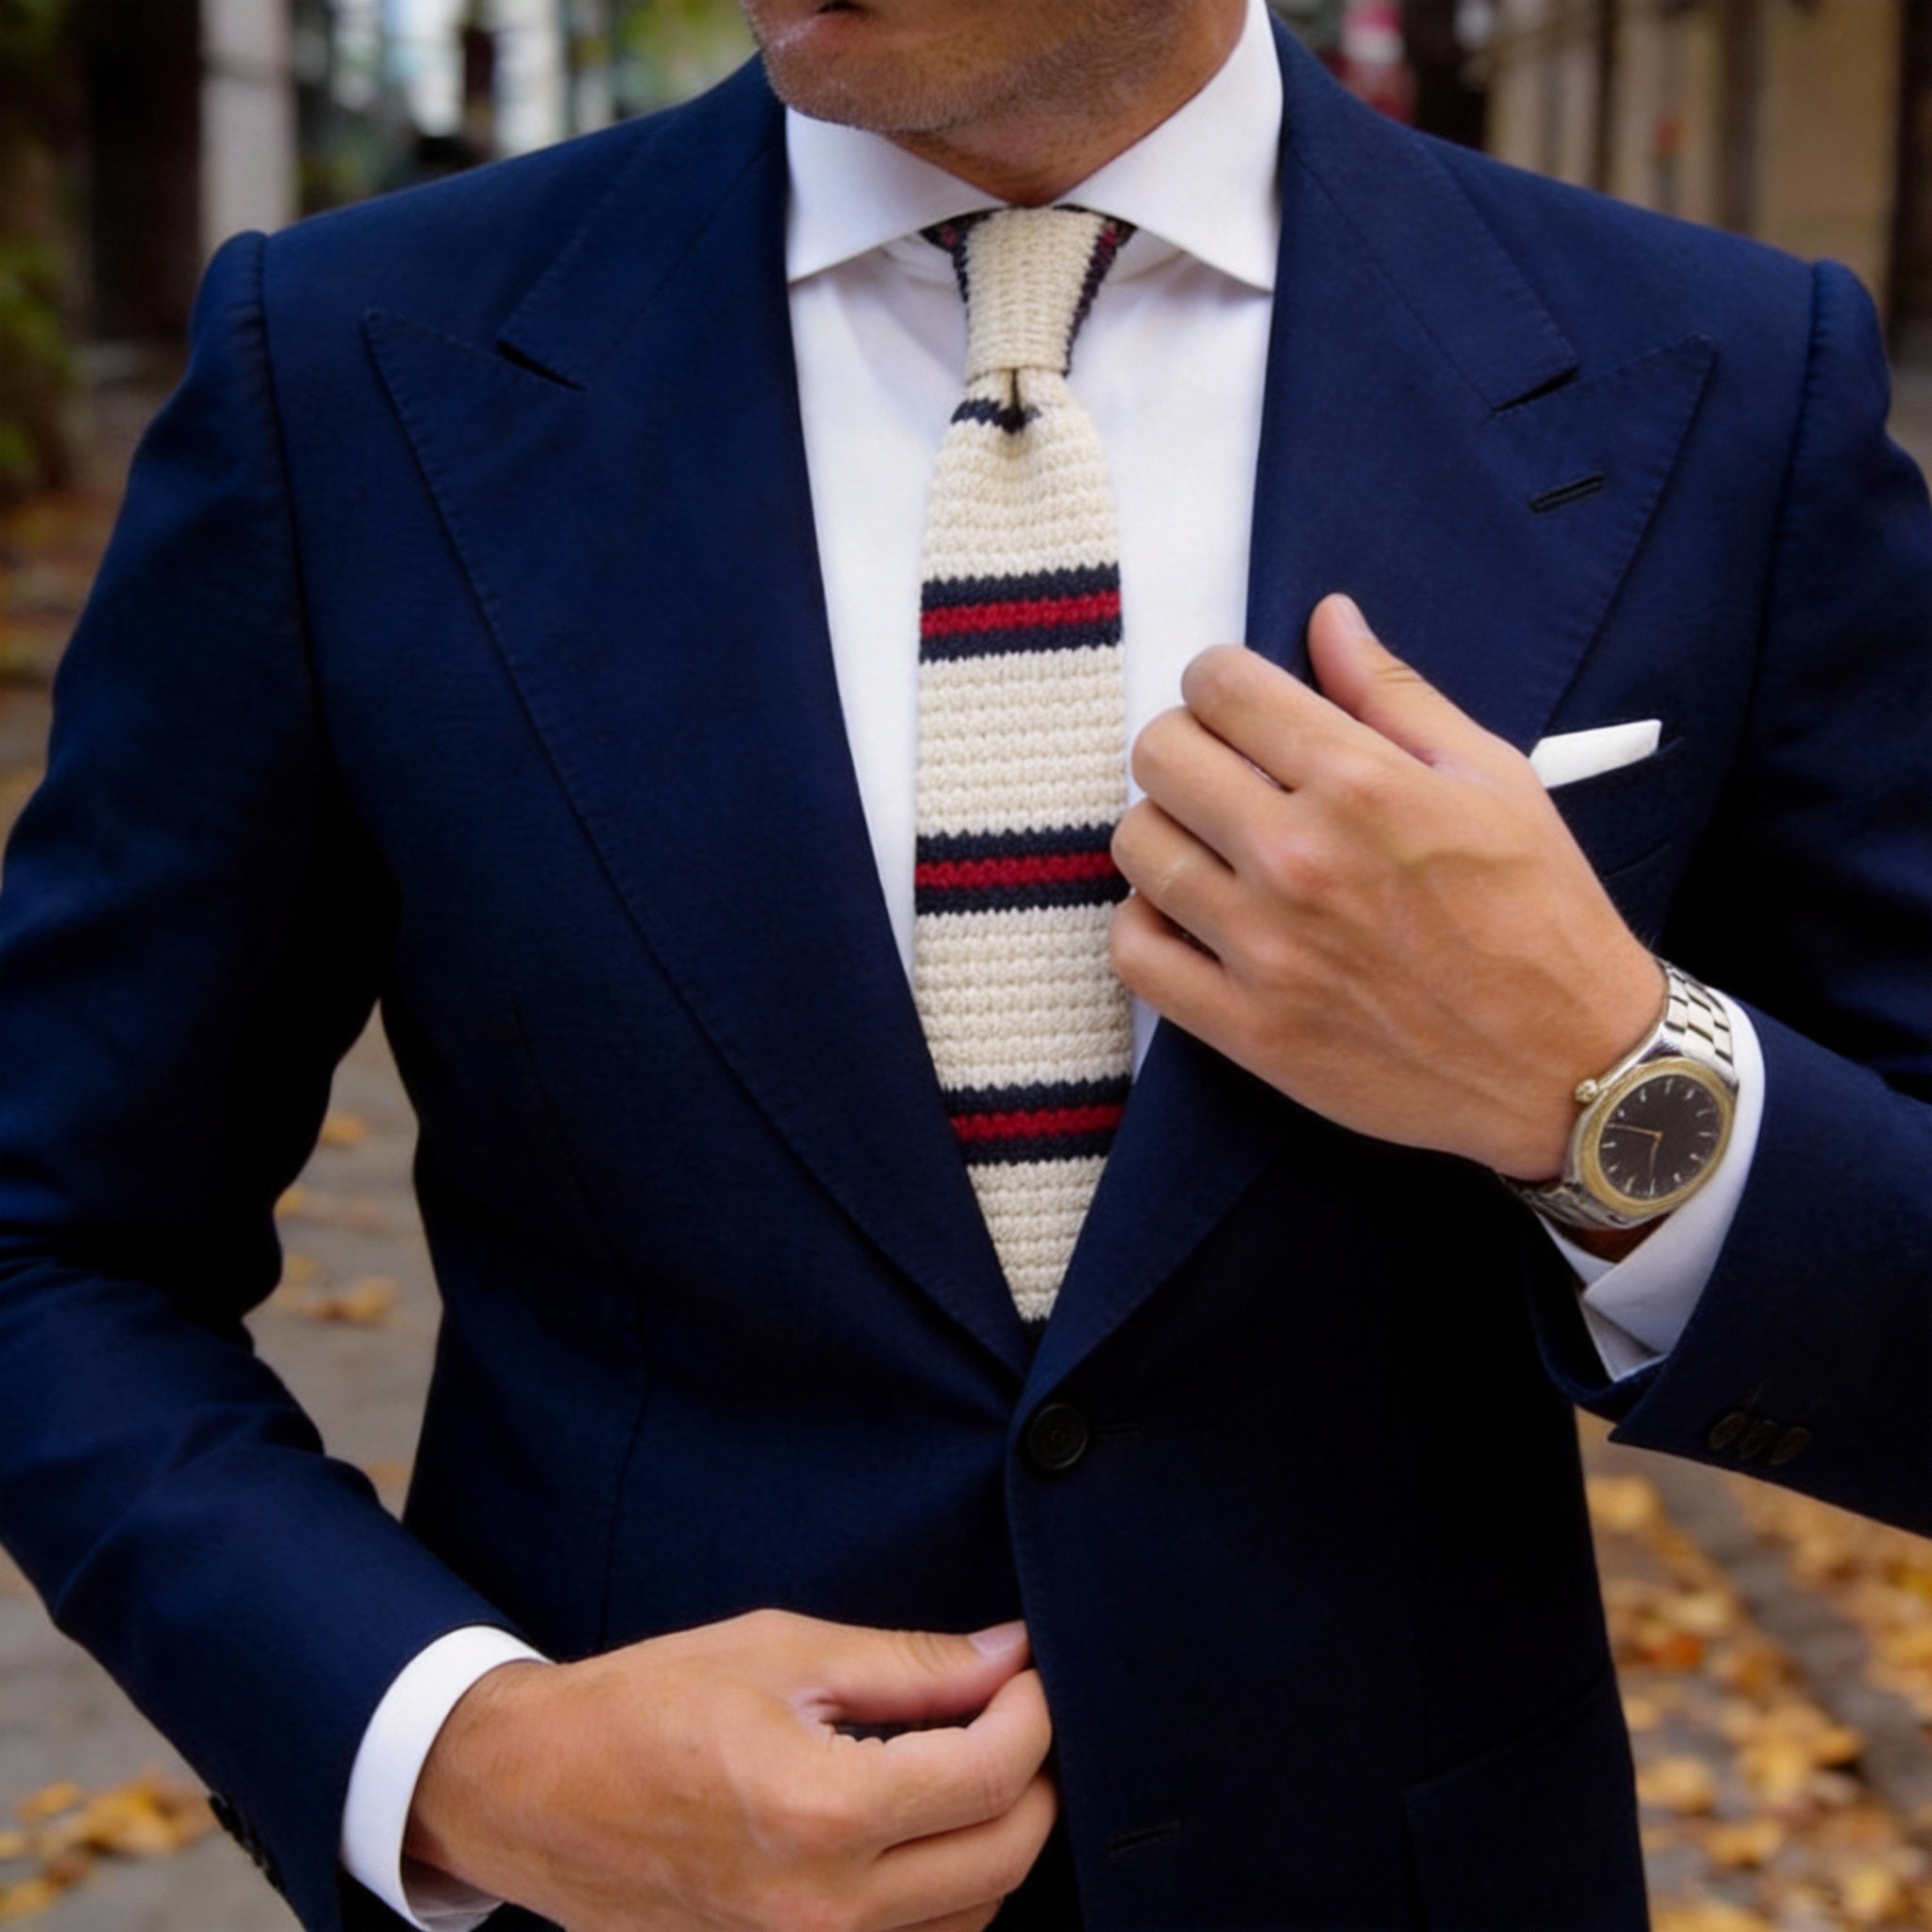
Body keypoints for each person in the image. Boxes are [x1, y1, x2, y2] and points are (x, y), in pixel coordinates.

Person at [0, 0, 1926, 1925]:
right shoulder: (344, 366)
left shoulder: (1717, 380)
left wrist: (1602, 1080)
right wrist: (459, 1753)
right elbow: (52, 1236)